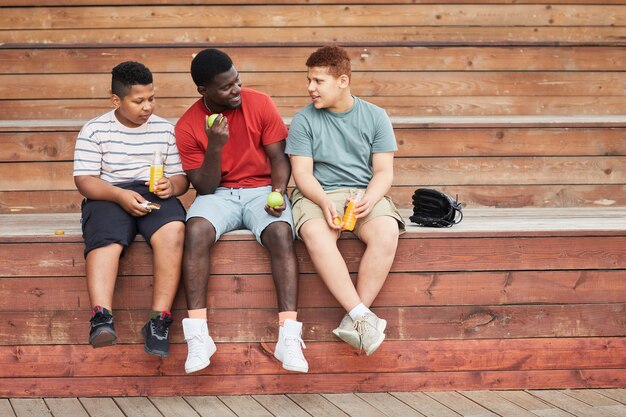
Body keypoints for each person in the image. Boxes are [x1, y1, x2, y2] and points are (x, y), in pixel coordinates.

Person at [175, 48, 308, 374]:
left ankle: (288, 336)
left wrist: (278, 192)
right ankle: (198, 335)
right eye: (226, 87)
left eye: (237, 81)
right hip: (218, 194)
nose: (236, 90)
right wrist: (216, 144)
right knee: (195, 231)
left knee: (280, 232)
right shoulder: (188, 126)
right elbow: (204, 188)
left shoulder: (259, 103)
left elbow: (280, 159)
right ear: (203, 91)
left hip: (263, 191)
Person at [286, 45, 405, 356]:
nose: (311, 88)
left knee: (387, 232)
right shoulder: (303, 120)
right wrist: (323, 201)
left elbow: (383, 171)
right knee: (314, 234)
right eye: (308, 80)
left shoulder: (376, 116)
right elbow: (302, 174)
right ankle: (362, 316)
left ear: (342, 81)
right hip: (317, 193)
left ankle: (356, 320)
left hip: (363, 192)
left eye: (318, 81)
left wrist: (370, 197)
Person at [73, 61, 189, 358]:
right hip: (109, 193)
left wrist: (171, 187)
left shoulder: (165, 130)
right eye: (139, 101)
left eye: (151, 98)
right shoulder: (96, 130)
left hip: (152, 192)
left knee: (174, 230)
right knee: (106, 238)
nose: (147, 106)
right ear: (116, 100)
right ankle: (102, 316)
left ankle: (158, 320)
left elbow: (180, 177)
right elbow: (85, 180)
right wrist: (118, 195)